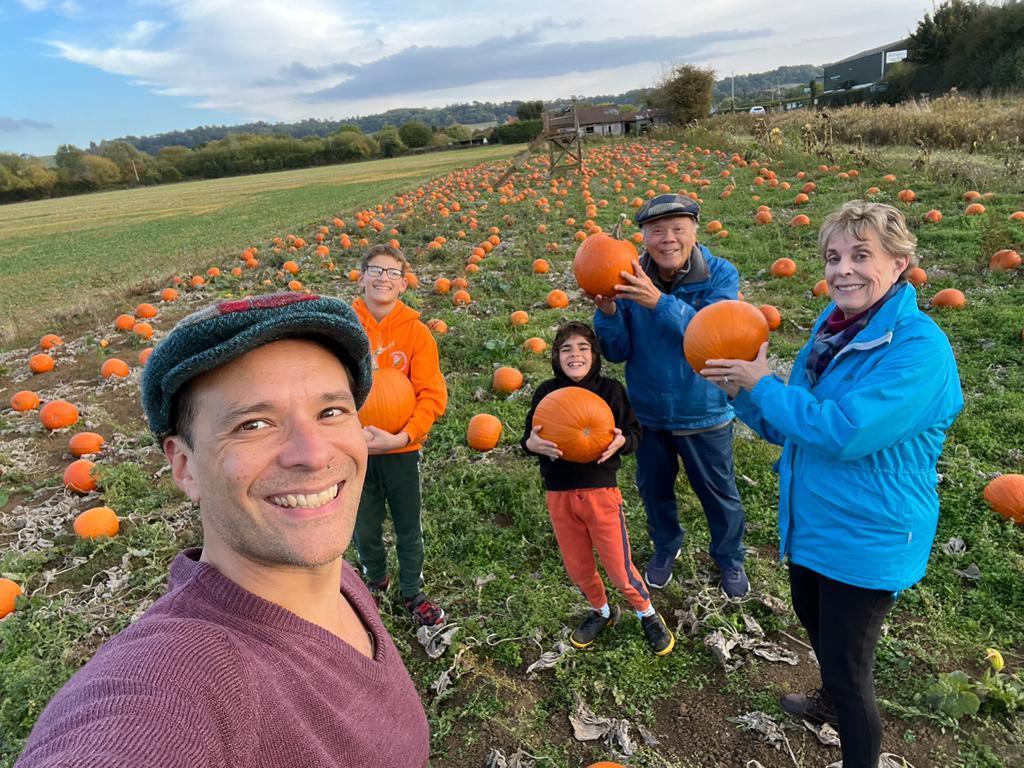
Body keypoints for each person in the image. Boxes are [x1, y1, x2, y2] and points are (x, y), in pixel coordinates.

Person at [16, 292, 430, 767]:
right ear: (185, 467)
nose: (313, 454)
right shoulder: (173, 682)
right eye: (254, 424)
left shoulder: (336, 578)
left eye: (331, 412)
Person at [701, 200, 963, 768]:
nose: (843, 269)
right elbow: (795, 425)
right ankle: (828, 701)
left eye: (861, 255)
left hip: (869, 534)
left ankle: (853, 741)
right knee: (812, 617)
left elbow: (845, 431)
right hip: (816, 520)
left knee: (850, 673)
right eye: (833, 256)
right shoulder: (833, 329)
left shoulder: (919, 350)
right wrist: (743, 394)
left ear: (900, 263)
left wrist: (764, 384)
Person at [590, 193, 750, 597]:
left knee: (719, 492)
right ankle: (666, 547)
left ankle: (729, 557)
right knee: (654, 489)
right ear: (643, 237)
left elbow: (715, 335)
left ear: (695, 231)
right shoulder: (624, 276)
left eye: (678, 229)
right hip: (648, 412)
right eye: (657, 231)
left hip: (703, 410)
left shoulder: (719, 274)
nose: (668, 239)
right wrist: (608, 315)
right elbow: (617, 351)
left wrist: (660, 303)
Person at [522, 322, 675, 656]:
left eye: (582, 349)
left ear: (594, 355)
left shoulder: (610, 390)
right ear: (555, 356)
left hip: (600, 493)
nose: (574, 355)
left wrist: (623, 440)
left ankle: (645, 612)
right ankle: (602, 610)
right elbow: (528, 438)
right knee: (577, 566)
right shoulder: (547, 392)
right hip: (559, 495)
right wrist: (532, 444)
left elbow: (634, 432)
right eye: (566, 349)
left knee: (619, 566)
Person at [352, 244, 448, 626]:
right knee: (364, 525)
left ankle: (413, 591)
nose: (383, 278)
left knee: (408, 525)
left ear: (403, 284)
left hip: (402, 449)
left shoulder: (416, 333)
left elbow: (431, 395)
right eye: (376, 270)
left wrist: (404, 437)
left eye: (393, 273)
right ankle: (375, 581)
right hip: (355, 447)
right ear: (361, 279)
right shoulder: (345, 328)